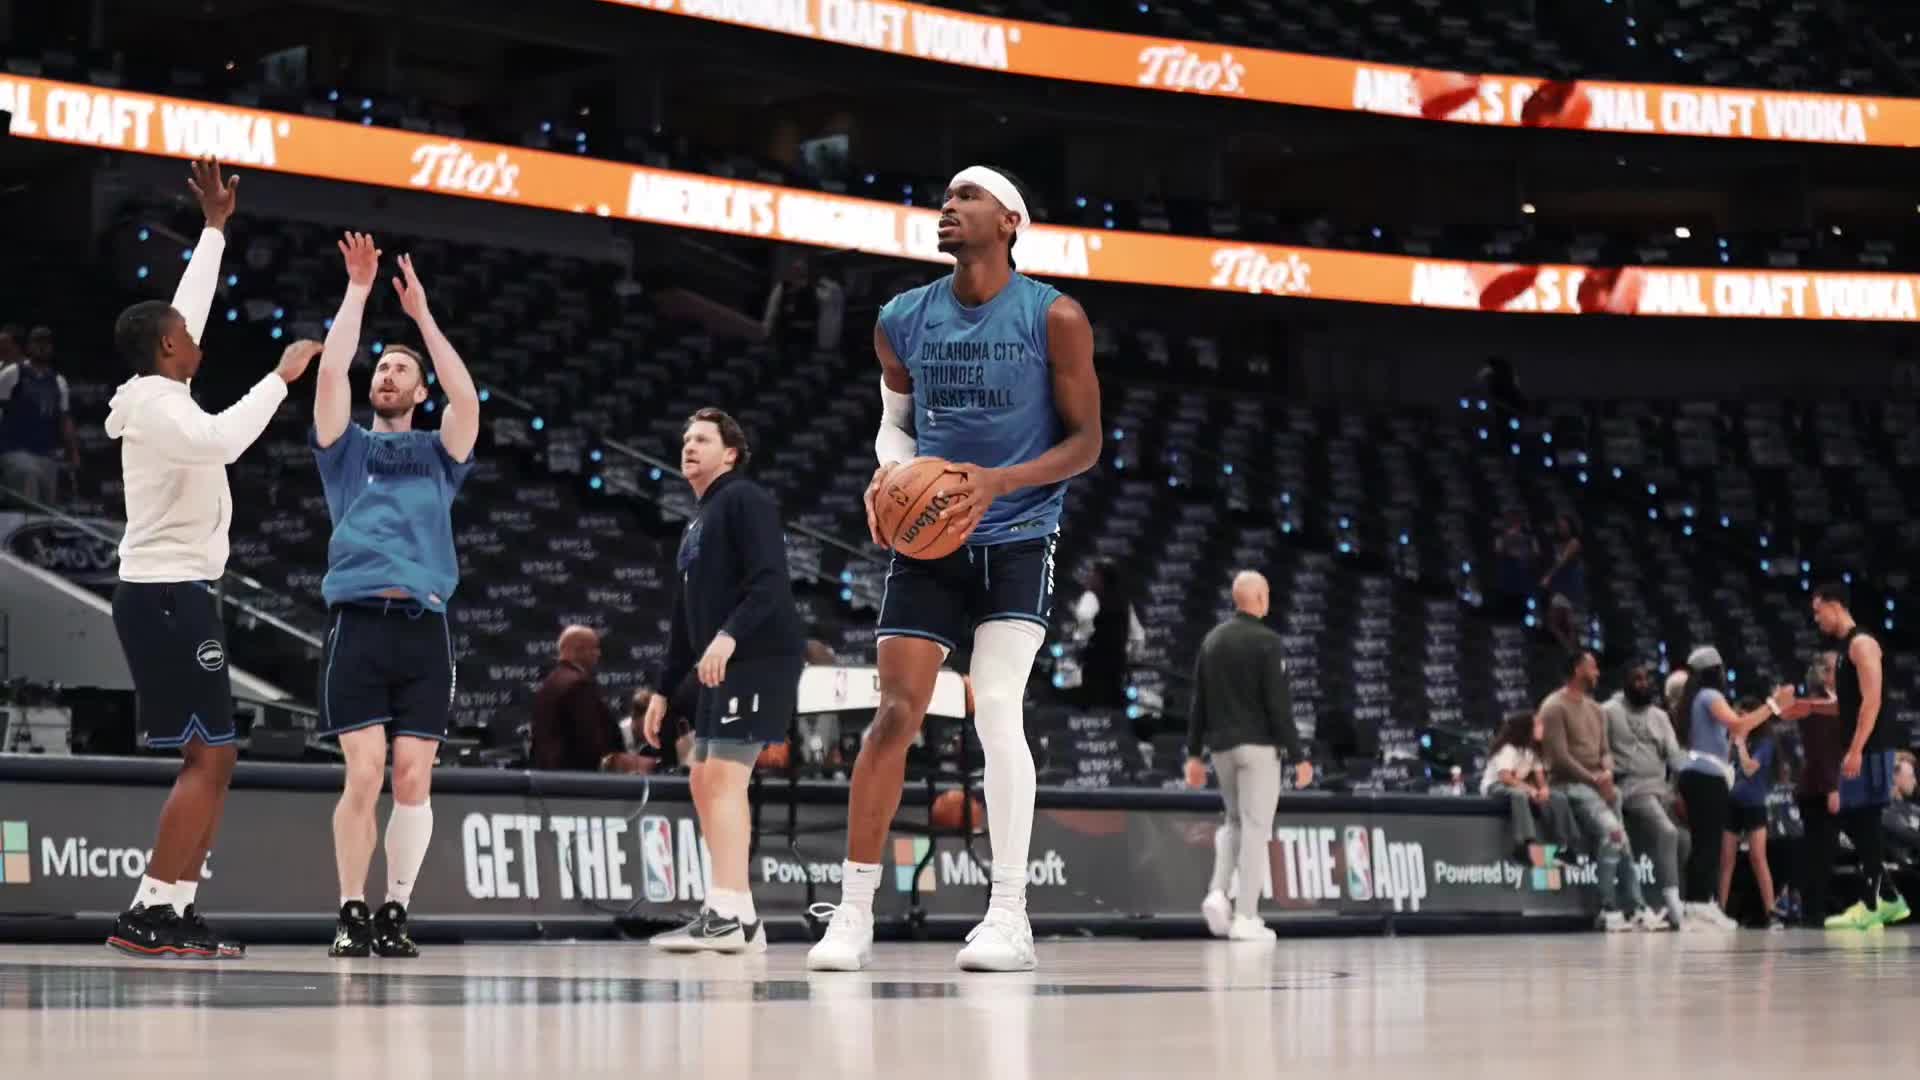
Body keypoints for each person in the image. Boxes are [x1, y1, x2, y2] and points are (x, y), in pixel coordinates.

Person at [808, 165, 1102, 974]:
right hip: (929, 539)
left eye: (968, 197)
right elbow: (895, 426)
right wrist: (888, 476)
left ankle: (1009, 916)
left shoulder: (1055, 317)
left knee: (996, 706)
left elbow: (1086, 443)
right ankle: (853, 915)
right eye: (944, 196)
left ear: (1009, 222)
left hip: (1018, 533)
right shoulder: (901, 318)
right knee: (894, 714)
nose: (949, 205)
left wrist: (998, 484)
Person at [103, 159, 319, 958]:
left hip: (180, 590)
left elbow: (187, 304)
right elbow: (225, 439)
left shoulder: (164, 390)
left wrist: (215, 228)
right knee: (208, 754)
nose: (198, 339)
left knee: (218, 756)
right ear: (168, 348)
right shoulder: (162, 411)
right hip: (163, 596)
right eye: (188, 338)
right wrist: (281, 378)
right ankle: (146, 910)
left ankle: (176, 905)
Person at [311, 233, 481, 958]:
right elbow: (330, 374)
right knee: (365, 770)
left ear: (419, 393)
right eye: (382, 366)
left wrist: (423, 321)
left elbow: (466, 397)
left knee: (414, 775)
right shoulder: (345, 448)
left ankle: (395, 911)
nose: (387, 374)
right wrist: (357, 290)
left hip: (424, 627)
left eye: (401, 369)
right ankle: (351, 910)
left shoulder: (441, 454)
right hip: (357, 622)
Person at [641, 408, 804, 954]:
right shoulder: (697, 520)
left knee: (725, 778)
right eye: (685, 438)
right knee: (702, 777)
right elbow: (683, 617)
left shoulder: (744, 500)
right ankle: (741, 915)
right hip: (723, 663)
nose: (689, 446)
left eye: (703, 439)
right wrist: (663, 689)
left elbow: (771, 582)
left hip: (757, 655)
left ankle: (726, 912)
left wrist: (730, 635)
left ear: (730, 453)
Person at [1182, 571, 1313, 943]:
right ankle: (1246, 915)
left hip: (1221, 749)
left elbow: (1199, 702)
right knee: (1256, 829)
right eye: (1266, 593)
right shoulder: (1268, 642)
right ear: (1257, 598)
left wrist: (1194, 754)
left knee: (1234, 823)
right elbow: (1278, 705)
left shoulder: (1212, 640)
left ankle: (1217, 892)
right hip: (1258, 748)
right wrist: (1299, 756)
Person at [1783, 584, 1910, 929]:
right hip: (1861, 747)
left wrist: (1855, 749)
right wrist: (1808, 706)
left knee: (1862, 821)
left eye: (1818, 611)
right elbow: (1848, 705)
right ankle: (1884, 899)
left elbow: (1872, 701)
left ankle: (1879, 901)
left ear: (1835, 605)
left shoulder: (1862, 644)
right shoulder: (1843, 650)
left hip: (1871, 748)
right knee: (1859, 822)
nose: (1816, 619)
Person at [1537, 650, 1668, 932]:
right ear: (1577, 670)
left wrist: (1607, 773)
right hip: (1569, 786)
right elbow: (1560, 758)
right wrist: (1595, 779)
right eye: (1593, 667)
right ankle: (1607, 908)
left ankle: (1636, 909)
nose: (1597, 673)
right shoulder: (1553, 707)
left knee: (1623, 844)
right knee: (1613, 834)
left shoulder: (1597, 710)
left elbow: (1605, 752)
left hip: (1602, 787)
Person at [1673, 646, 1777, 930]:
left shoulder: (1695, 698)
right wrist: (1772, 706)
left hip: (1699, 774)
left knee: (1705, 843)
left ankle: (1700, 904)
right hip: (1707, 777)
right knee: (1708, 844)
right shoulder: (1710, 695)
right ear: (1715, 671)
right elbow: (1739, 725)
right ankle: (1698, 907)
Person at [1603, 664, 1691, 927]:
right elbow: (1600, 751)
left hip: (1661, 790)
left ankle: (1675, 903)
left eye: (1647, 679)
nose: (1644, 684)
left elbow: (1675, 758)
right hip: (1631, 787)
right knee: (1668, 832)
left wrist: (1699, 769)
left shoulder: (1660, 716)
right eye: (1637, 679)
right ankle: (1674, 905)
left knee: (1685, 840)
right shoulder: (1608, 711)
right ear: (1626, 683)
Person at [531, 625, 644, 772]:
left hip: (551, 775)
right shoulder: (577, 684)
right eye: (594, 648)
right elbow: (590, 739)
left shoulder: (550, 682)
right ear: (577, 650)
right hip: (578, 776)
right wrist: (618, 763)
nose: (598, 654)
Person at [1480, 709, 1576, 865]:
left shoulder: (1532, 751)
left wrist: (1543, 789)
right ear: (1526, 728)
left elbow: (1539, 775)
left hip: (1519, 786)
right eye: (1537, 725)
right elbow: (1505, 778)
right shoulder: (1508, 749)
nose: (1542, 728)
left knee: (1558, 797)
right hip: (1495, 786)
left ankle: (1564, 843)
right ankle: (1524, 844)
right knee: (1519, 795)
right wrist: (1531, 790)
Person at [0, 325, 81, 503]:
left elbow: (64, 419)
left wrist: (73, 451)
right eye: (37, 342)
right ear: (29, 347)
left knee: (45, 507)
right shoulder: (13, 373)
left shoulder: (58, 381)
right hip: (15, 451)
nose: (42, 347)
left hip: (46, 454)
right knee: (27, 484)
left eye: (46, 343)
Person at [1722, 717, 1783, 930]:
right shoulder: (1734, 741)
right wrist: (1731, 744)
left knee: (1757, 858)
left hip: (1754, 805)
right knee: (1726, 860)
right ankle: (1720, 910)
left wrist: (1740, 745)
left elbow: (1749, 768)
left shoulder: (1764, 743)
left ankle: (1771, 912)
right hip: (1731, 804)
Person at [1073, 559, 1144, 709]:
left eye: (1093, 574)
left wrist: (1080, 641)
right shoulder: (1124, 601)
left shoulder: (1091, 597)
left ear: (1101, 578)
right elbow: (1138, 635)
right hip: (1117, 663)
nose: (1090, 577)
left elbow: (1084, 617)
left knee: (1091, 706)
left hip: (1095, 662)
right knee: (1113, 708)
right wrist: (1133, 657)